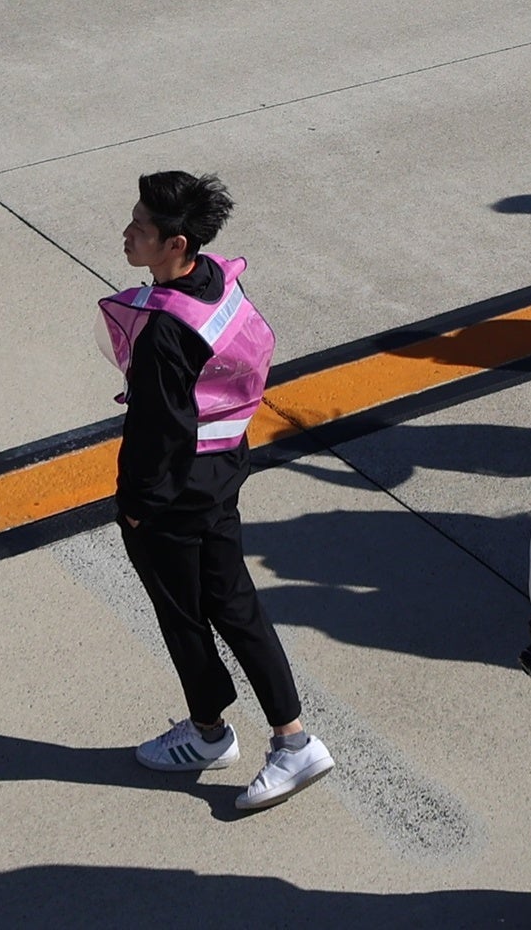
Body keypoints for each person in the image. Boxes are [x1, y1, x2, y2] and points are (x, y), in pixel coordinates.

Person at [107, 169, 332, 812]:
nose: (128, 233)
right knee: (235, 605)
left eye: (141, 227)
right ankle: (291, 737)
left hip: (175, 499)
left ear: (174, 244)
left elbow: (158, 433)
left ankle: (209, 733)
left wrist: (136, 509)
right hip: (222, 471)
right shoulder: (216, 283)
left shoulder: (163, 332)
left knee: (182, 614)